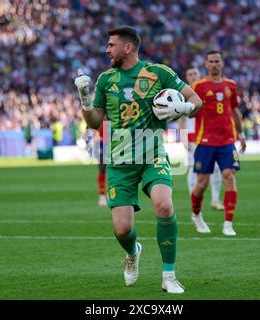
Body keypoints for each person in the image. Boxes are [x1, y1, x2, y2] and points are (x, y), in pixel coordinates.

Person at [74, 26, 202, 293]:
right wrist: (85, 99)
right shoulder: (106, 80)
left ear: (128, 47)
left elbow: (196, 100)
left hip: (152, 155)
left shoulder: (158, 73)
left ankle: (169, 276)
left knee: (164, 205)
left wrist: (184, 108)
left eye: (111, 45)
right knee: (122, 229)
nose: (107, 50)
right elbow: (96, 122)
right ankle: (133, 252)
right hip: (119, 161)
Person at [190, 51, 246, 236]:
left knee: (229, 176)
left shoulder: (231, 85)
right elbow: (189, 110)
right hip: (205, 141)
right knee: (202, 184)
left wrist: (241, 133)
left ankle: (228, 224)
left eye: (217, 61)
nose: (214, 64)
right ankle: (196, 215)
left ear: (222, 64)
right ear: (206, 64)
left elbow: (235, 110)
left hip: (227, 141)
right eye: (211, 61)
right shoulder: (198, 86)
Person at [179, 66, 224, 210]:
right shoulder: (182, 95)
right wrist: (183, 137)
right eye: (190, 74)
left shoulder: (205, 91)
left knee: (216, 168)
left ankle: (215, 200)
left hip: (209, 135)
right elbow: (181, 119)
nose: (193, 76)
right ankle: (194, 199)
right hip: (193, 137)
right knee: (193, 168)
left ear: (200, 75)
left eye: (195, 73)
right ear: (187, 78)